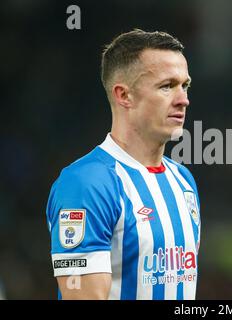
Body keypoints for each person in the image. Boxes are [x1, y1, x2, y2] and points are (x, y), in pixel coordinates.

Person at [46, 29, 201, 300]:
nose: (183, 99)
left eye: (184, 85)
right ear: (124, 95)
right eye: (167, 86)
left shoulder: (183, 180)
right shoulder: (86, 184)